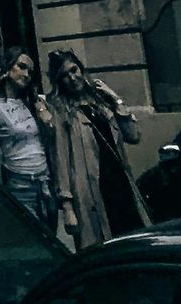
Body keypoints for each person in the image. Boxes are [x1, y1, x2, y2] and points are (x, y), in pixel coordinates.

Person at [46, 49, 146, 249]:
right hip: (90, 191)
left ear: (81, 69)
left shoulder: (101, 101)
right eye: (65, 76)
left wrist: (115, 98)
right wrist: (67, 207)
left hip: (120, 182)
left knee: (132, 239)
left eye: (74, 70)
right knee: (104, 247)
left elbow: (133, 136)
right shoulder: (61, 110)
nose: (72, 78)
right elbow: (61, 158)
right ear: (59, 82)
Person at [0, 48, 55, 228]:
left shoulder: (34, 102)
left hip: (44, 182)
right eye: (21, 67)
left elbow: (51, 139)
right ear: (8, 68)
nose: (26, 74)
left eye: (30, 71)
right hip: (18, 184)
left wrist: (44, 114)